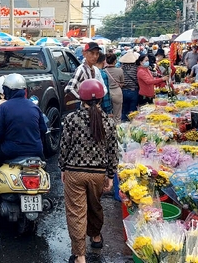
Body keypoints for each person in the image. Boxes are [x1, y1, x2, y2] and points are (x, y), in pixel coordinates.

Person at [59, 79, 118, 263]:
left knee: (76, 213)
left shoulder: (70, 119)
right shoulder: (108, 122)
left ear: (81, 98)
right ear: (101, 98)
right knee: (95, 206)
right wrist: (110, 175)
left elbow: (64, 147)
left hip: (74, 172)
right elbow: (112, 151)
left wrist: (62, 168)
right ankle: (96, 237)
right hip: (98, 173)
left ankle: (80, 256)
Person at [0, 73, 47, 193]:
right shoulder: (34, 107)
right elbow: (44, 130)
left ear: (8, 90)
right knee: (45, 166)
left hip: (11, 150)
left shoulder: (4, 107)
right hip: (36, 150)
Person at [104, 53, 124, 120]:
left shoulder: (104, 71)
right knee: (117, 114)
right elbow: (122, 83)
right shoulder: (120, 70)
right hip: (117, 92)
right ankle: (117, 128)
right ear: (115, 61)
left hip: (107, 93)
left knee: (108, 114)